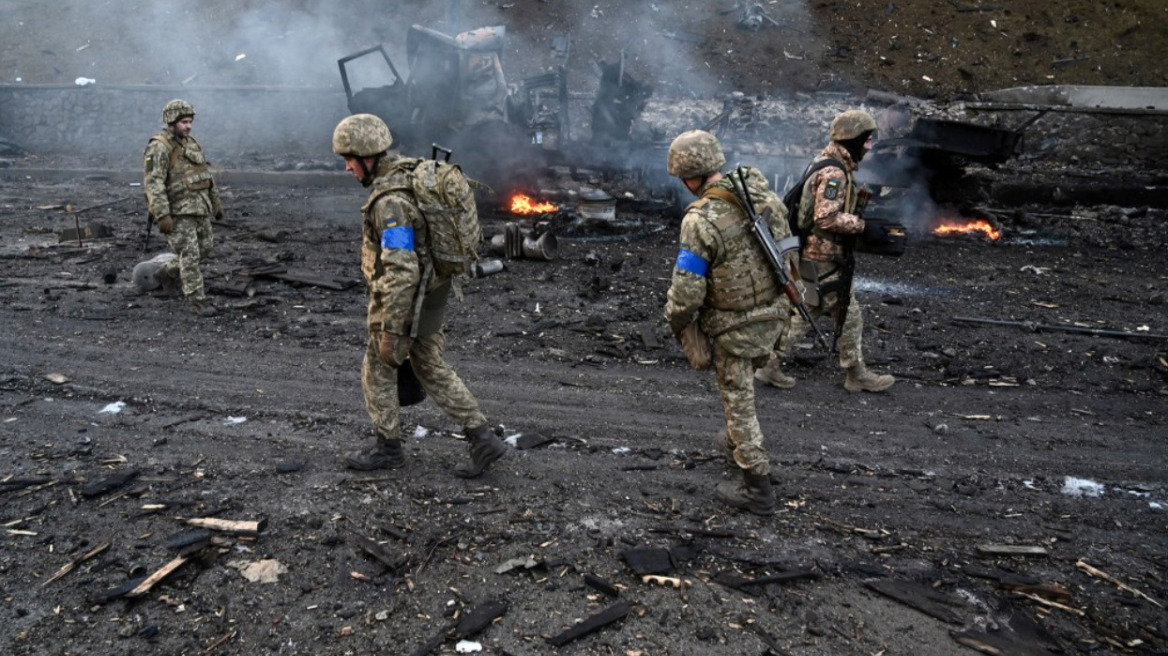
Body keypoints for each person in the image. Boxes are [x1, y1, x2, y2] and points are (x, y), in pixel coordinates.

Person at [331, 113, 506, 477]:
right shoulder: (407, 173)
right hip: (431, 292)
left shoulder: (390, 204)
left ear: (368, 156)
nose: (347, 168)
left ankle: (388, 448)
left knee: (378, 366)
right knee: (430, 366)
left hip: (406, 298)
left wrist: (391, 327)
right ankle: (482, 436)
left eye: (349, 159)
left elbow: (401, 268)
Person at [663, 129, 789, 516]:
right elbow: (789, 254)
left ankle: (757, 485)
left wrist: (676, 321)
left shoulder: (700, 220)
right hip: (775, 315)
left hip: (734, 327)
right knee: (744, 389)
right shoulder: (763, 197)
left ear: (690, 177)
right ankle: (738, 445)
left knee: (739, 402)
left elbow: (687, 291)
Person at [756, 109, 895, 393]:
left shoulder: (824, 161)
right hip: (822, 256)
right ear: (853, 139)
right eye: (867, 140)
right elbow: (825, 218)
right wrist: (862, 226)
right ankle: (856, 374)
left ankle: (768, 364)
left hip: (809, 253)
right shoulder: (834, 173)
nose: (869, 147)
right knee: (847, 312)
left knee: (809, 309)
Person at [143, 99, 222, 317]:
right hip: (178, 212)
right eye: (184, 122)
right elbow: (154, 183)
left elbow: (205, 174)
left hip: (200, 208)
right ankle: (197, 302)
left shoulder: (191, 143)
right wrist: (162, 214)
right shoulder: (158, 147)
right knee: (190, 255)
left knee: (205, 249)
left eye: (190, 121)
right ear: (171, 121)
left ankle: (167, 273)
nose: (189, 126)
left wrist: (215, 202)